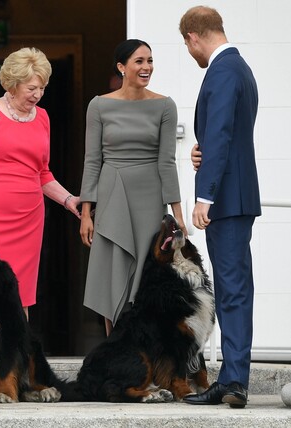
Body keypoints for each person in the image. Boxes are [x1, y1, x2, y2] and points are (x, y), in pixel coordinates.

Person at [0, 47, 80, 319]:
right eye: (32, 88)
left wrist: (70, 200)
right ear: (13, 85)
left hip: (29, 221)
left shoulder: (43, 118)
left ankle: (18, 356)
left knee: (21, 292)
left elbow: (43, 173)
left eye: (43, 88)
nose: (37, 95)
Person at [179, 6, 261, 409]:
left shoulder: (224, 69)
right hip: (236, 194)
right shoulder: (238, 67)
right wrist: (202, 151)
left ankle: (233, 381)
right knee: (234, 288)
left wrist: (204, 194)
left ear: (194, 36)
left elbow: (225, 132)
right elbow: (223, 134)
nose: (190, 53)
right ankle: (233, 380)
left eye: (187, 45)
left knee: (231, 290)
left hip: (227, 198)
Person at [79, 39, 187, 337]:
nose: (147, 67)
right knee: (112, 277)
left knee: (147, 280)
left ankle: (147, 356)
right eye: (139, 61)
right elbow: (92, 160)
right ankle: (115, 352)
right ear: (121, 67)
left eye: (150, 61)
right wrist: (86, 213)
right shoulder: (99, 105)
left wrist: (177, 215)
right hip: (112, 196)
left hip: (150, 201)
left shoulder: (165, 106)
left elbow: (167, 161)